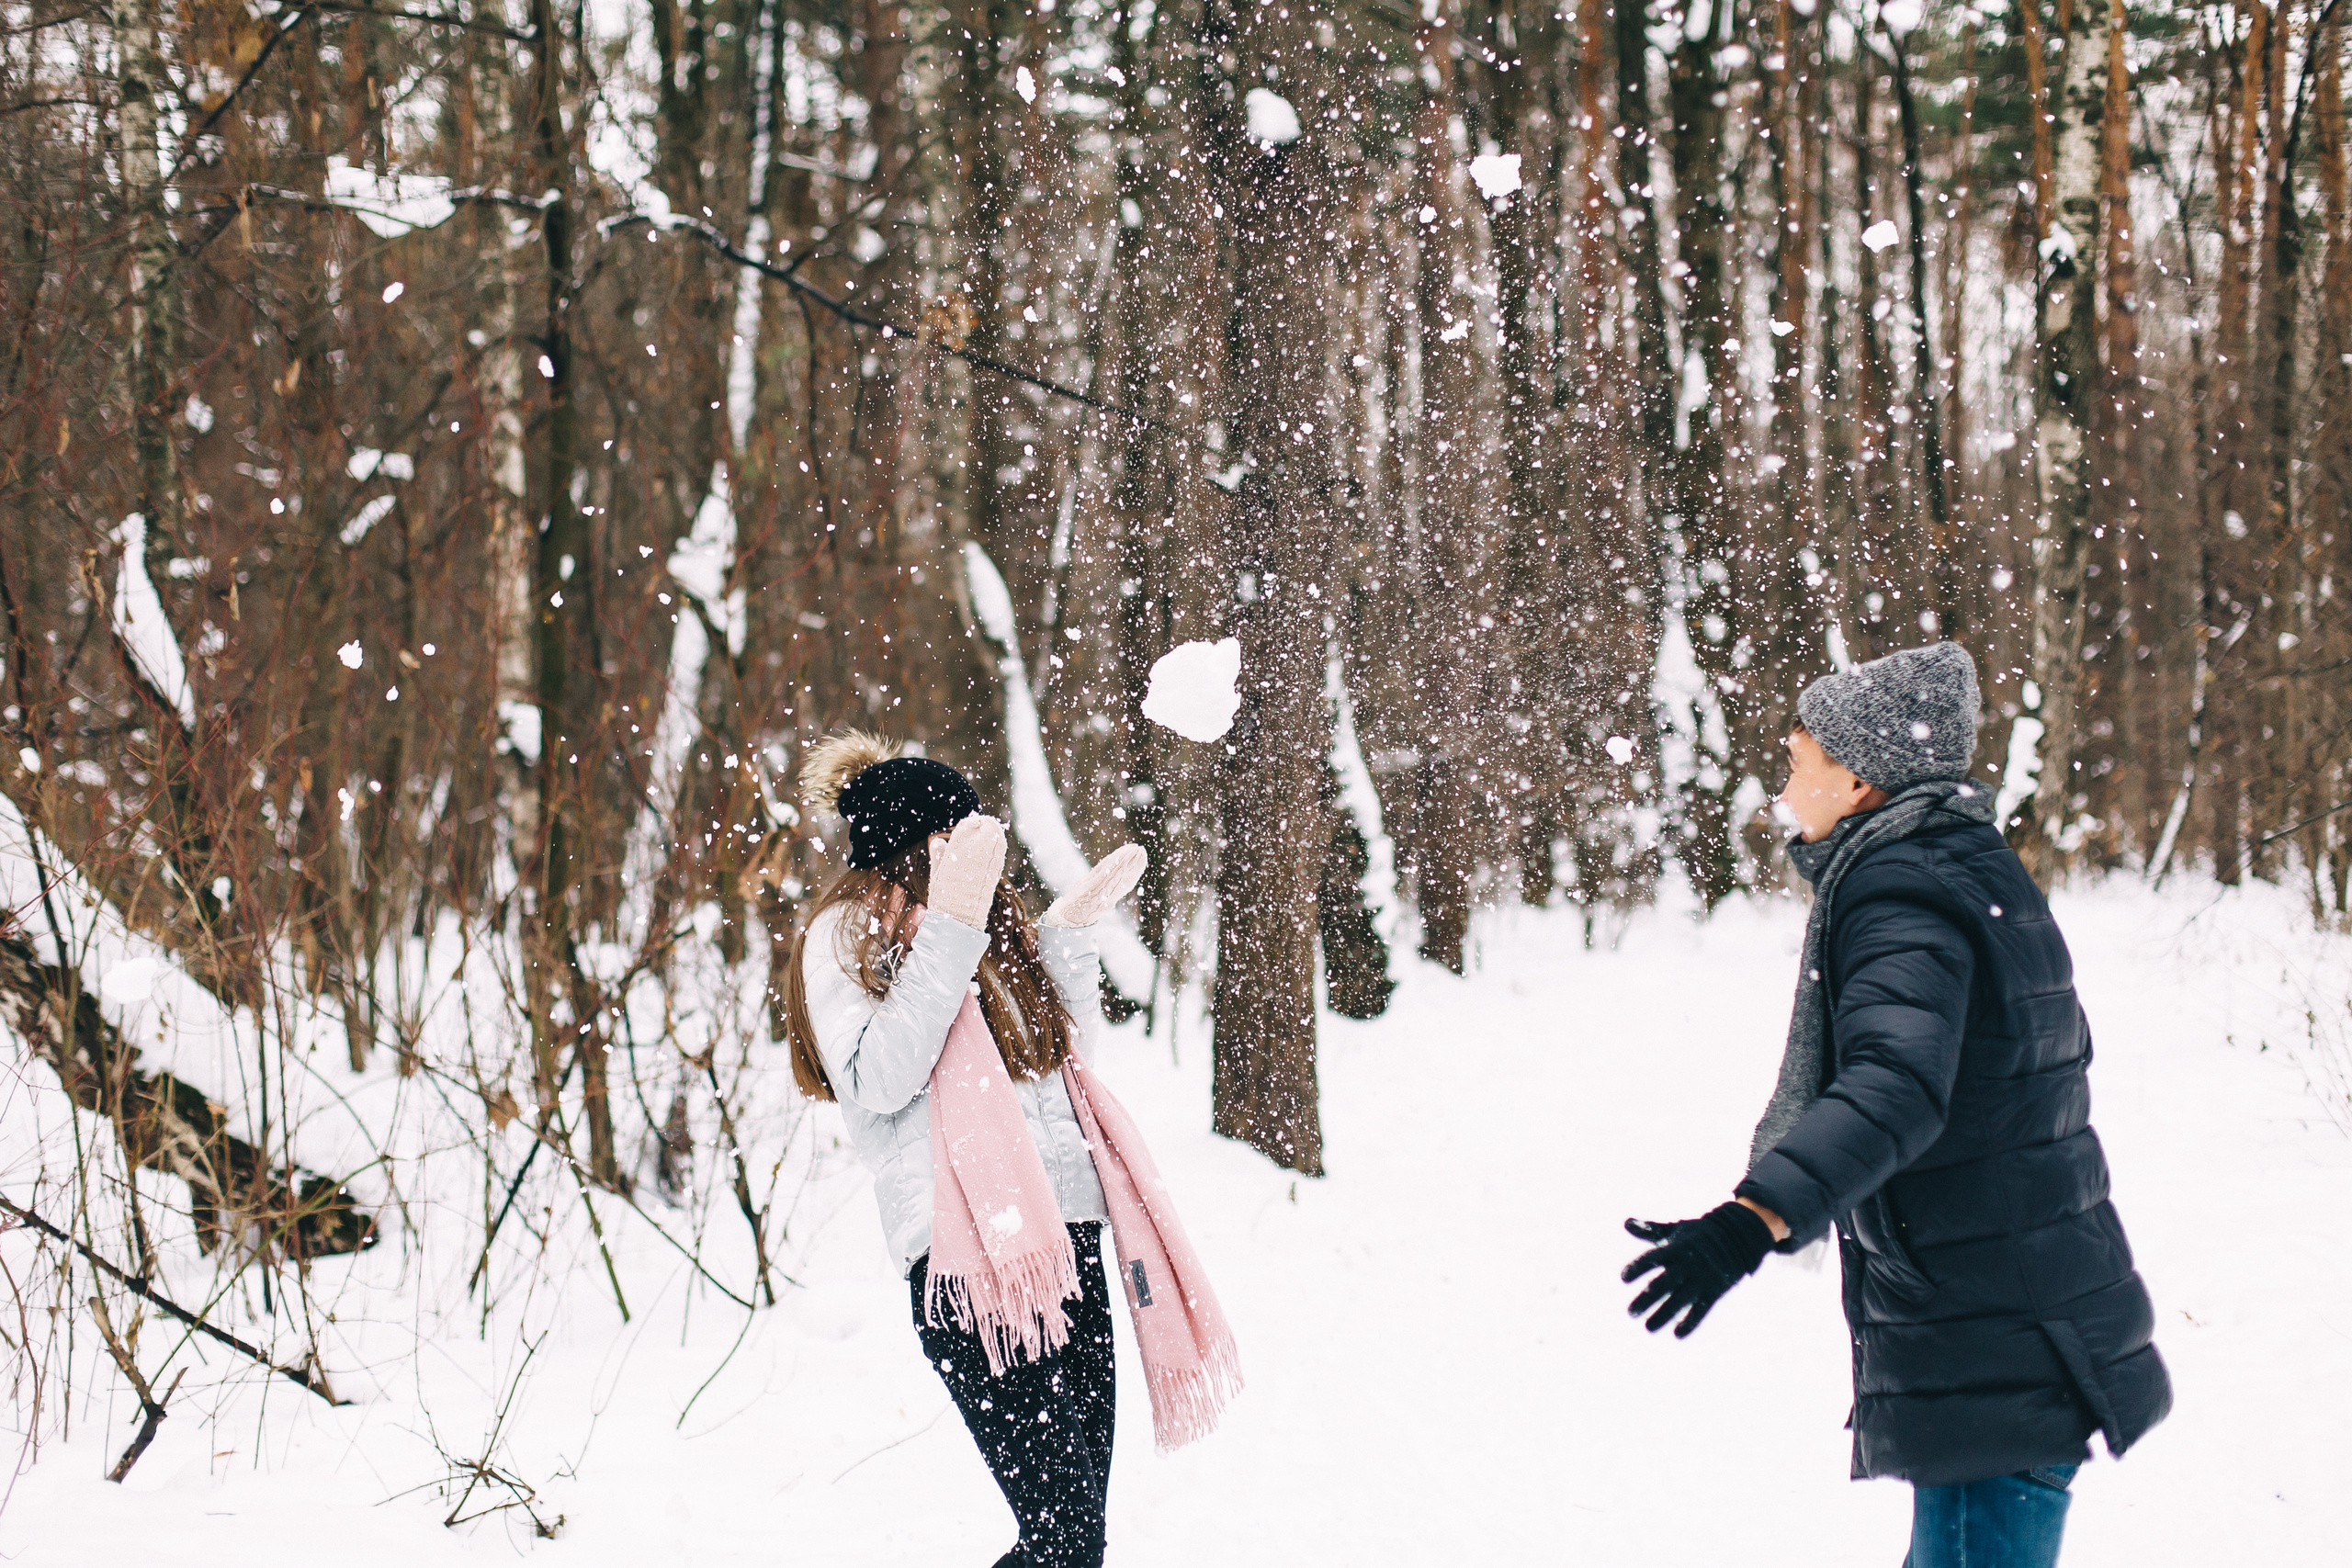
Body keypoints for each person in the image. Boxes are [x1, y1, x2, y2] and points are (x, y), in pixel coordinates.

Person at [1621, 642, 2170, 1568]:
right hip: (2012, 1323)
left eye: (1800, 763)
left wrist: (1753, 1218)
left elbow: (1894, 1085)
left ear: (1862, 777)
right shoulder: (1967, 867)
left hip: (1988, 1348)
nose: (1784, 788)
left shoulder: (1899, 890)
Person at [781, 732, 1239, 1568]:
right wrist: (949, 930)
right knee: (1062, 1538)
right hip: (965, 1263)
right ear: (916, 843)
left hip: (1065, 1244)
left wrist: (1064, 938)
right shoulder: (846, 935)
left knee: (1070, 1540)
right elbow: (880, 1078)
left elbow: (1056, 1075)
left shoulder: (980, 927)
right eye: (957, 837)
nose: (980, 855)